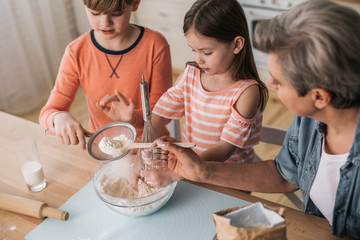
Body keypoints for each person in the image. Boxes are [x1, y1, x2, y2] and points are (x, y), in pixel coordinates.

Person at [140, 0, 360, 238]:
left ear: (319, 96)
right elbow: (285, 175)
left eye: (280, 81)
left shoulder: (250, 92)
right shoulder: (308, 120)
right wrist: (200, 171)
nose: (271, 86)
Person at [106, 0, 268, 185]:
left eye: (207, 52)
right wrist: (143, 152)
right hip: (186, 172)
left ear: (237, 44)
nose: (198, 59)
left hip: (227, 179)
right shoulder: (191, 75)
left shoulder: (247, 93)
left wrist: (181, 172)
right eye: (193, 50)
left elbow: (225, 149)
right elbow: (160, 114)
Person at [39, 0, 172, 150]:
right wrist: (58, 118)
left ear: (135, 4)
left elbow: (164, 113)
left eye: (116, 14)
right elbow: (47, 113)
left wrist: (134, 118)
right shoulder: (76, 52)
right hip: (103, 148)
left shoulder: (155, 45)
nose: (105, 23)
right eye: (95, 13)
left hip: (149, 146)